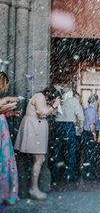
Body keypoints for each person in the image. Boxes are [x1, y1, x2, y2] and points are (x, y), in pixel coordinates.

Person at [14, 86, 61, 200]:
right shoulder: (39, 97)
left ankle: (33, 188)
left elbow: (47, 113)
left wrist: (54, 108)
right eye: (53, 98)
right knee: (39, 159)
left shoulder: (41, 98)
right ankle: (33, 189)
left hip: (36, 129)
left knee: (40, 159)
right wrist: (53, 106)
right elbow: (41, 113)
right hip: (33, 129)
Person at [51, 86, 84, 183]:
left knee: (57, 152)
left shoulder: (58, 100)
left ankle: (55, 175)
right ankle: (70, 175)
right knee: (71, 152)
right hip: (69, 125)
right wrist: (81, 126)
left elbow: (52, 113)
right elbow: (80, 115)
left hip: (58, 126)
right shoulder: (74, 100)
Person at [0, 72, 19, 205]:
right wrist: (8, 102)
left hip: (2, 129)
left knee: (5, 158)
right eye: (5, 84)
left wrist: (11, 112)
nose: (6, 87)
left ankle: (5, 193)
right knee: (4, 158)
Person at [81, 94, 100, 180]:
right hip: (90, 134)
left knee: (87, 154)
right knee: (91, 155)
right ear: (95, 101)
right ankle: (90, 174)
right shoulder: (92, 110)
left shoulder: (87, 109)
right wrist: (94, 135)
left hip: (86, 134)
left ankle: (87, 173)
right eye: (98, 100)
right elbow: (92, 124)